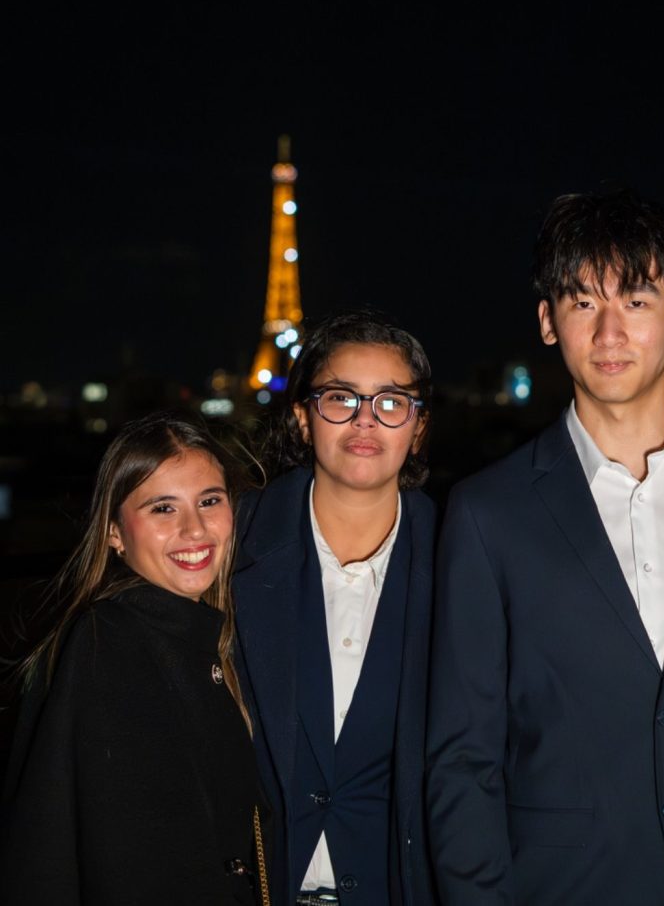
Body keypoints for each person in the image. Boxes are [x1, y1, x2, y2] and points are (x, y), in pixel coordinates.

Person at [426, 187, 664, 905]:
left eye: (635, 300)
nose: (609, 332)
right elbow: (463, 759)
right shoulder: (486, 512)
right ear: (548, 322)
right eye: (582, 302)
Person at [0, 412, 263, 906]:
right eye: (163, 508)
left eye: (209, 500)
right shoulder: (113, 645)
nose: (194, 528)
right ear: (114, 533)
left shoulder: (194, 636)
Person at [233, 310, 437, 906]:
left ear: (418, 427)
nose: (364, 420)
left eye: (392, 402)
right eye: (341, 398)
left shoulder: (463, 557)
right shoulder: (230, 543)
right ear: (303, 418)